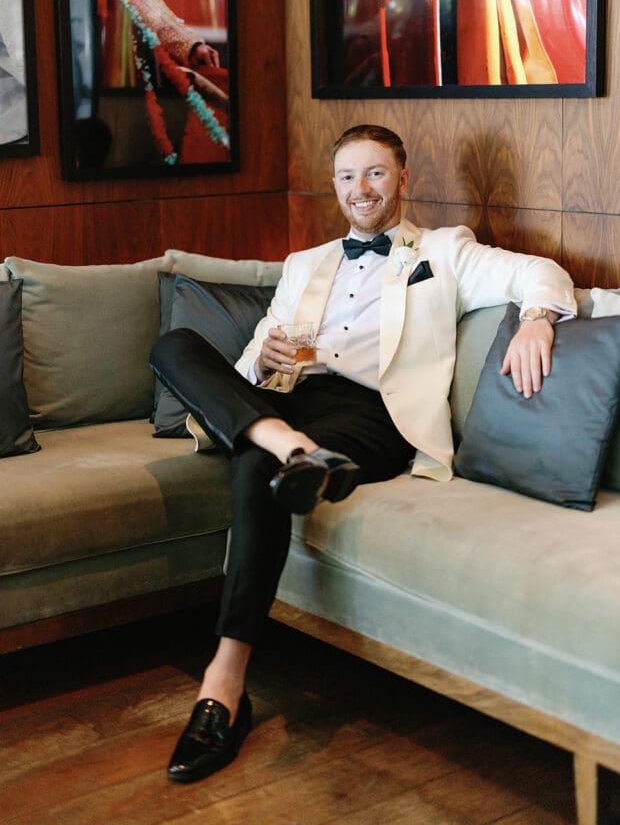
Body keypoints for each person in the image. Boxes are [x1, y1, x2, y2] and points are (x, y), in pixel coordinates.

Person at [150, 123, 577, 784]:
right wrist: (258, 366)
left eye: (375, 173)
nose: (361, 189)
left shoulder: (443, 250)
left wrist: (537, 319)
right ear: (335, 185)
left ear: (402, 180)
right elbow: (253, 361)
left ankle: (222, 686)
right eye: (348, 176)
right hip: (287, 403)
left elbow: (539, 272)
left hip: (372, 414)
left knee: (254, 470)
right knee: (174, 347)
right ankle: (289, 448)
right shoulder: (304, 263)